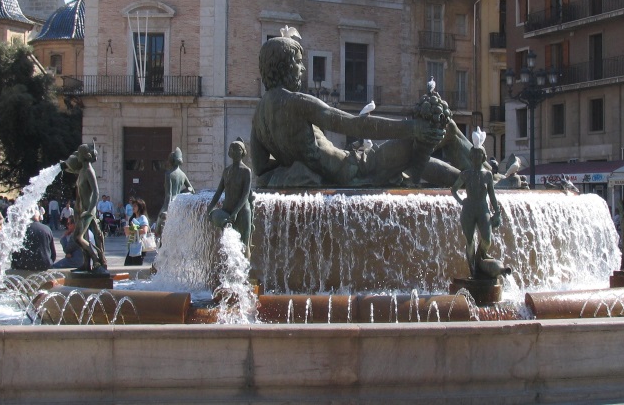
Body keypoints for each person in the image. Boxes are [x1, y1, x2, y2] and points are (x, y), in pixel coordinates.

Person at [250, 35, 461, 188]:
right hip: (355, 168)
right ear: (284, 65)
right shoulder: (298, 102)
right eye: (298, 62)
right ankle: (473, 182)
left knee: (414, 160)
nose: (302, 68)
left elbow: (260, 167)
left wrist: (294, 168)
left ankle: (468, 180)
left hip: (342, 170)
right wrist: (412, 128)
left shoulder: (258, 115)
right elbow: (354, 124)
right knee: (445, 128)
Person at [450, 143, 503, 279]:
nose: (476, 157)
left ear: (483, 157)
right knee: (469, 240)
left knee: (487, 239)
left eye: (479, 154)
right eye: (474, 154)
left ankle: (481, 255)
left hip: (483, 208)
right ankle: (473, 270)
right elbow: (454, 189)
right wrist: (461, 201)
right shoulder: (465, 174)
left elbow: (492, 196)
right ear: (471, 156)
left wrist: (497, 211)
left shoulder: (488, 175)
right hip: (468, 210)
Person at [62, 142, 108, 274]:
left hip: (88, 210)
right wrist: (63, 165)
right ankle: (86, 264)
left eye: (79, 154)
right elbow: (70, 168)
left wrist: (89, 210)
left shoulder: (89, 171)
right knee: (86, 238)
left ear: (84, 156)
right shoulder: (82, 170)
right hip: (81, 209)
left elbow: (96, 192)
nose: (77, 155)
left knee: (78, 237)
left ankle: (96, 260)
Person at [207, 138, 255, 255]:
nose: (234, 151)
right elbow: (219, 192)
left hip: (242, 211)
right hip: (227, 211)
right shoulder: (226, 171)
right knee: (230, 246)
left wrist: (236, 212)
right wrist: (210, 208)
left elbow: (245, 195)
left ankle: (246, 265)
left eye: (238, 149)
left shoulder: (246, 171)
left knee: (244, 246)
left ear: (243, 152)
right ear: (229, 152)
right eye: (232, 149)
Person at [156, 148, 196, 242]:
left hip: (171, 202)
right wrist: (181, 194)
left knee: (159, 223)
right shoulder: (183, 174)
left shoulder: (168, 174)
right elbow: (192, 190)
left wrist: (166, 209)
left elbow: (168, 194)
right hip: (179, 203)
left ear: (171, 161)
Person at [124, 198, 150, 266]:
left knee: (136, 265)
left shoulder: (143, 218)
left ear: (140, 207)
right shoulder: (133, 218)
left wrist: (133, 230)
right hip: (133, 244)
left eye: (135, 206)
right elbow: (129, 232)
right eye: (133, 206)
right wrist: (127, 230)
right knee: (128, 264)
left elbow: (144, 230)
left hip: (140, 245)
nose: (133, 207)